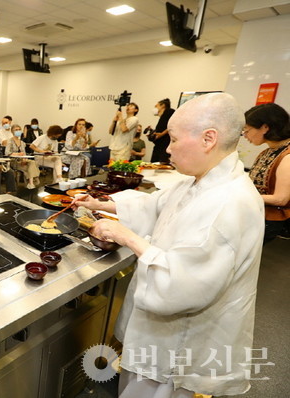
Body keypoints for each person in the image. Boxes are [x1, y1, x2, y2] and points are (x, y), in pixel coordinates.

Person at [72, 93, 264, 398]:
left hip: (182, 338)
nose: (168, 148)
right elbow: (157, 206)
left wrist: (127, 237)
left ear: (208, 139)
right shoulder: (199, 180)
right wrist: (101, 204)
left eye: (173, 139)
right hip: (162, 332)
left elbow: (184, 284)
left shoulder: (229, 203)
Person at [244, 102, 290, 242]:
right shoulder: (270, 150)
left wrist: (241, 196)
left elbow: (281, 199)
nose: (245, 135)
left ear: (265, 127)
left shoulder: (287, 155)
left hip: (267, 219)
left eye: (247, 130)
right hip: (256, 214)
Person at [4, 124, 40, 189]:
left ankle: (30, 183)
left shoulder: (22, 142)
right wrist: (17, 154)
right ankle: (33, 180)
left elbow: (24, 154)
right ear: (12, 132)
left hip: (22, 160)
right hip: (13, 161)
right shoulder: (10, 141)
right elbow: (7, 153)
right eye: (16, 130)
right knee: (29, 167)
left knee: (33, 163)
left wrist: (24, 159)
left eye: (19, 130)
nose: (18, 131)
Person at [149, 98, 176, 163]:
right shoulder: (162, 118)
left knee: (162, 166)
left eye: (156, 106)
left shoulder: (169, 111)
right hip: (158, 146)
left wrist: (162, 134)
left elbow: (173, 125)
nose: (155, 108)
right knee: (154, 165)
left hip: (165, 146)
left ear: (163, 105)